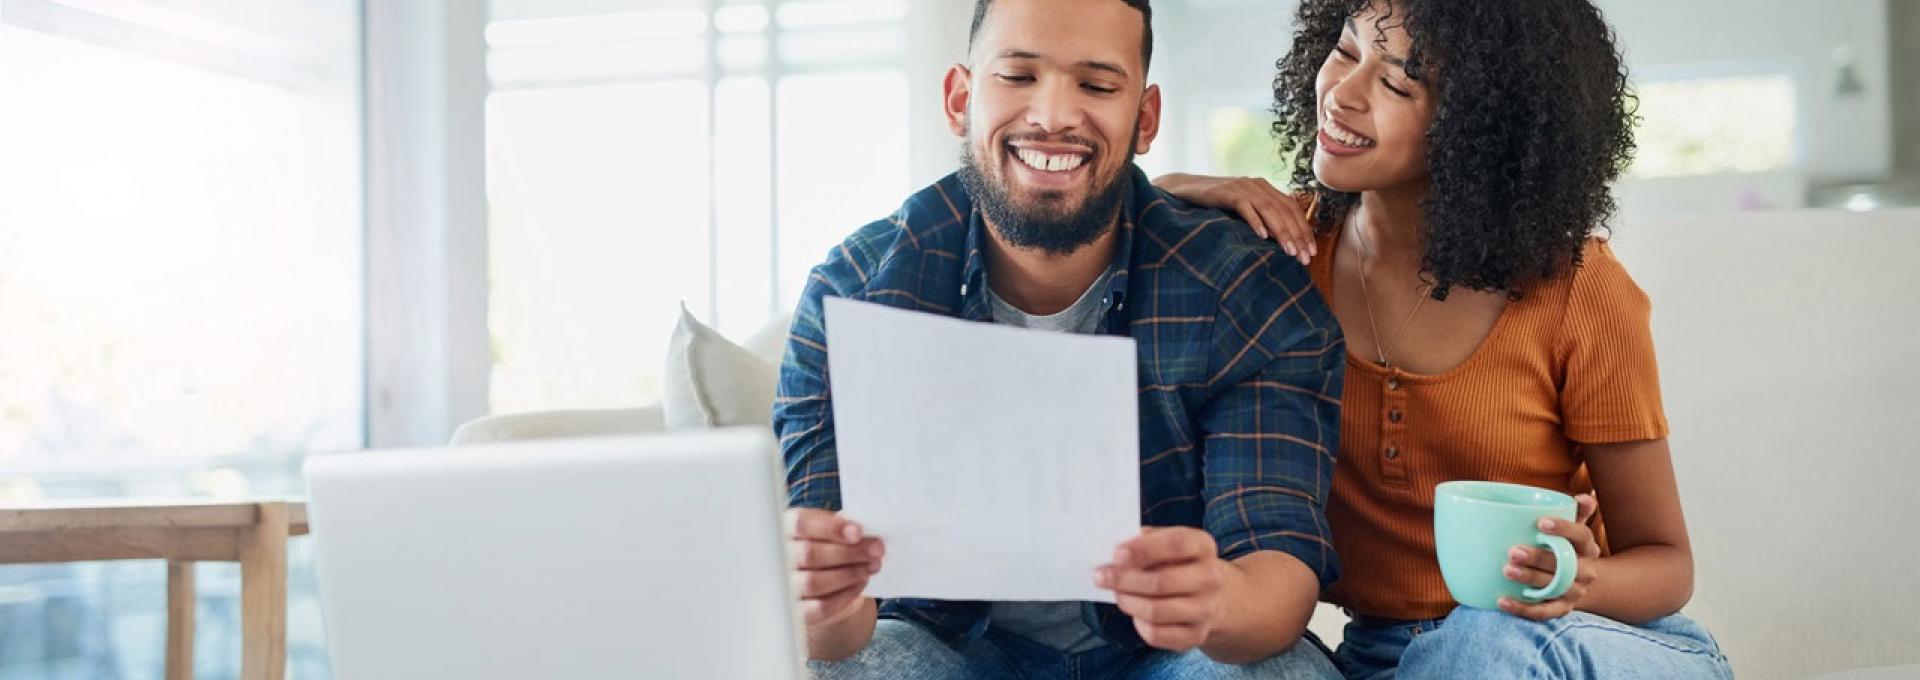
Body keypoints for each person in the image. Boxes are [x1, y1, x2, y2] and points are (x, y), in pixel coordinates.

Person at [1153, 1, 1734, 678]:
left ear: (1481, 132)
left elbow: (1666, 564)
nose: (1342, 93)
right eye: (1344, 52)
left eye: (1398, 83)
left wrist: (1576, 583)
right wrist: (1175, 189)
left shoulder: (1579, 291)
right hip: (1381, 656)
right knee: (1215, 666)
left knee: (1482, 644)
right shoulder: (1280, 255)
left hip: (1560, 636)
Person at [773, 0, 1348, 677]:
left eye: (1097, 86)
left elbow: (1274, 573)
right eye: (1017, 77)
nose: (1053, 114)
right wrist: (821, 600)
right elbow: (837, 635)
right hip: (943, 648)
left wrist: (1216, 600)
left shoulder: (1241, 289)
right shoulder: (854, 293)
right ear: (961, 99)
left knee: (1275, 672)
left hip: (1165, 655)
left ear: (1146, 118)